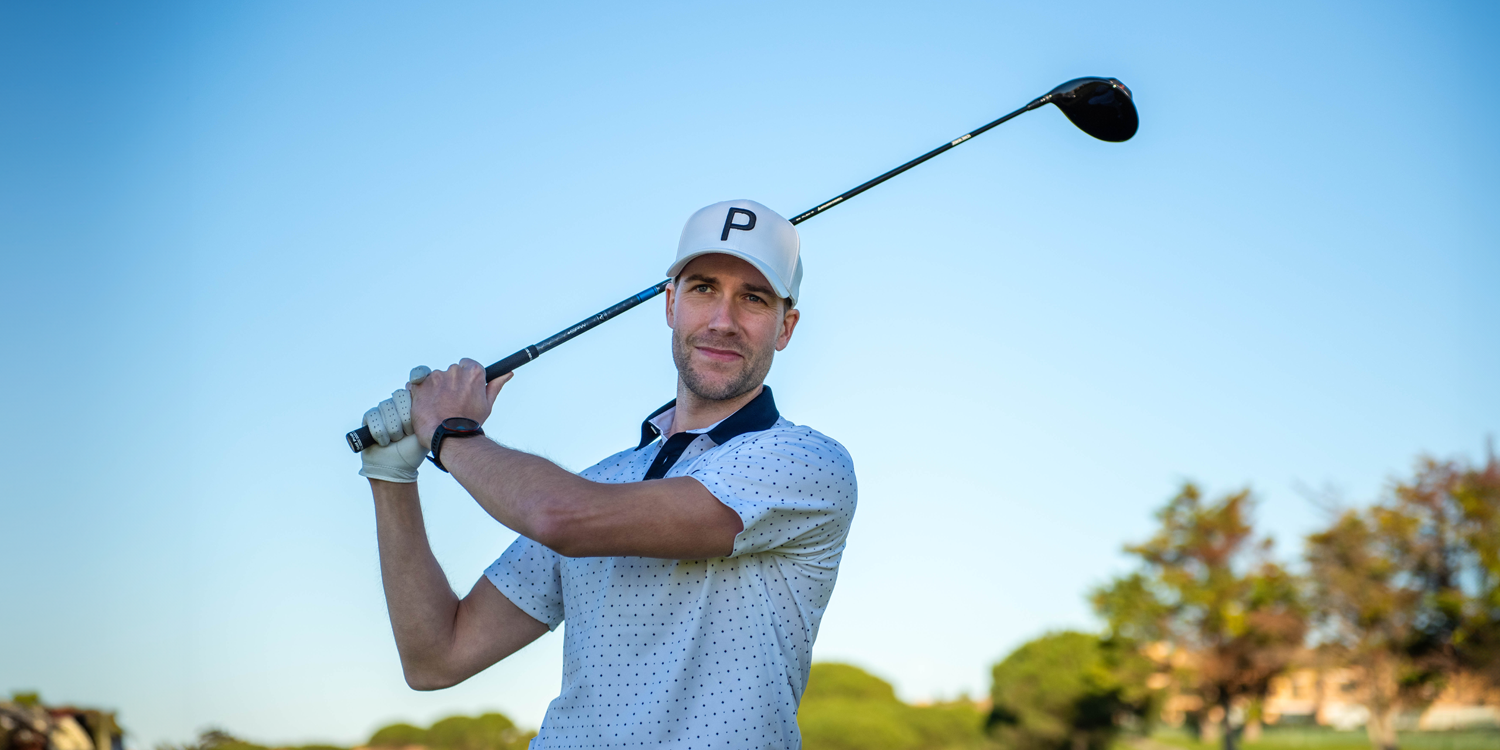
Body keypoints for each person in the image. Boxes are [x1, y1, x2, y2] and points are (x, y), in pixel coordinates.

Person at [356, 199, 857, 749]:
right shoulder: (606, 479)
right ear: (670, 304)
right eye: (703, 288)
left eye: (754, 299)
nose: (722, 320)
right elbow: (436, 657)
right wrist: (392, 478)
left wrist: (448, 432)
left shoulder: (806, 462)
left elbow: (562, 516)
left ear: (786, 327)